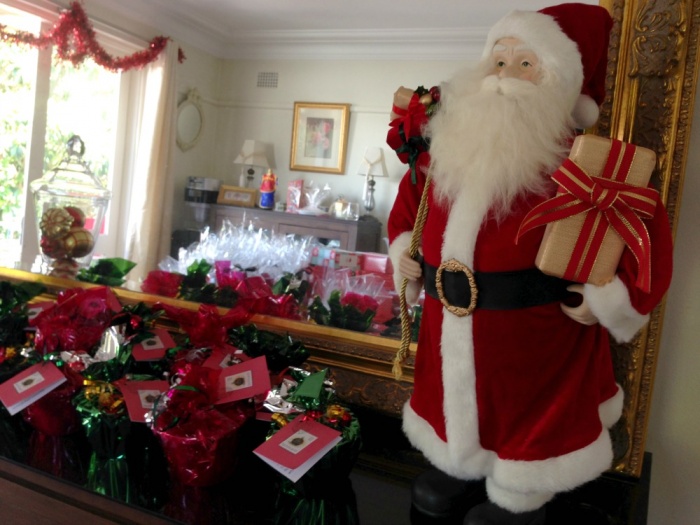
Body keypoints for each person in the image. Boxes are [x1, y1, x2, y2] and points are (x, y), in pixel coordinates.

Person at [386, 4, 673, 525]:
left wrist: (610, 299)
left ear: (564, 83)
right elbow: (410, 206)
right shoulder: (446, 148)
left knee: (529, 416)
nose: (505, 77)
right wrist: (405, 249)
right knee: (453, 396)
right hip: (442, 321)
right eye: (499, 61)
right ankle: (460, 463)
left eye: (526, 64)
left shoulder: (587, 165)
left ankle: (524, 488)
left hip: (537, 335)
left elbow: (644, 232)